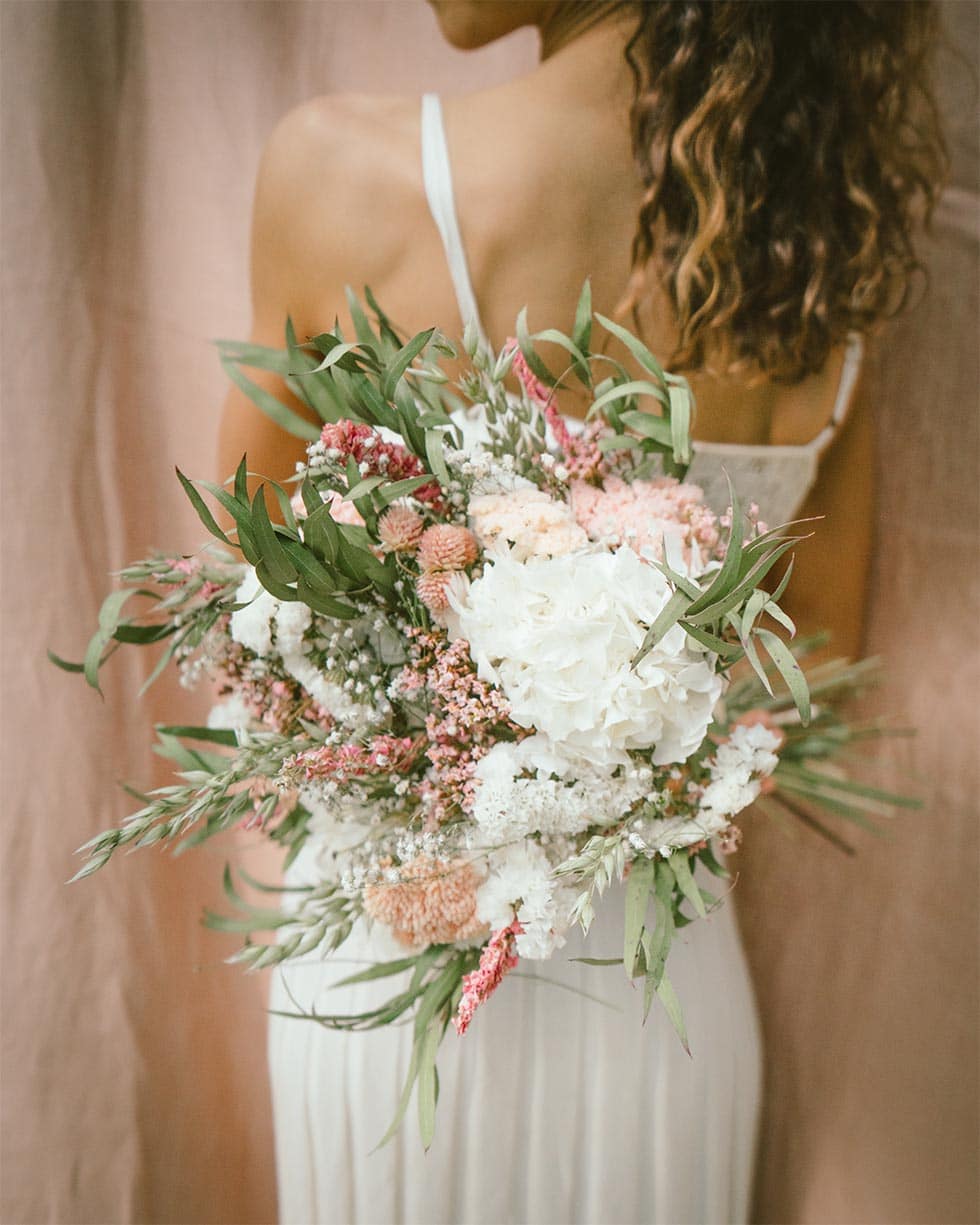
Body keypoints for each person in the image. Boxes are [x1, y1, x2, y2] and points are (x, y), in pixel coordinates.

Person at [217, 3, 945, 1222]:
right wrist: (621, 756)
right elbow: (813, 666)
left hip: (393, 955)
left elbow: (248, 593)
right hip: (656, 985)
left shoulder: (340, 173)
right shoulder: (813, 268)